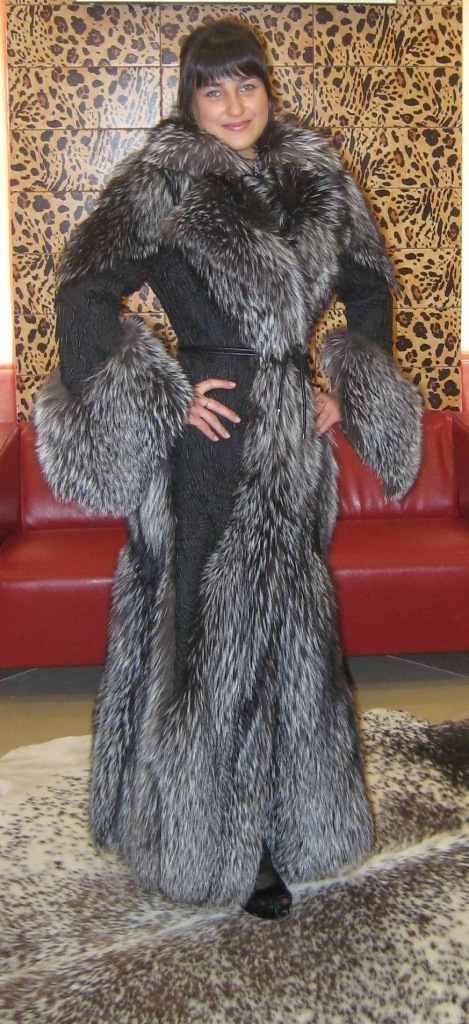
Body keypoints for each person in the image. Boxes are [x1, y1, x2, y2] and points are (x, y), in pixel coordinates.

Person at [35, 19, 422, 919]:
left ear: (267, 90)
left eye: (247, 84)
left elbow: (369, 285)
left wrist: (343, 384)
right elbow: (84, 290)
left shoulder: (316, 178)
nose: (234, 104)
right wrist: (163, 395)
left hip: (292, 443)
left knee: (293, 631)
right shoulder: (162, 178)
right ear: (190, 99)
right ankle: (219, 838)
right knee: (213, 632)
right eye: (213, 88)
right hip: (209, 446)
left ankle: (294, 817)